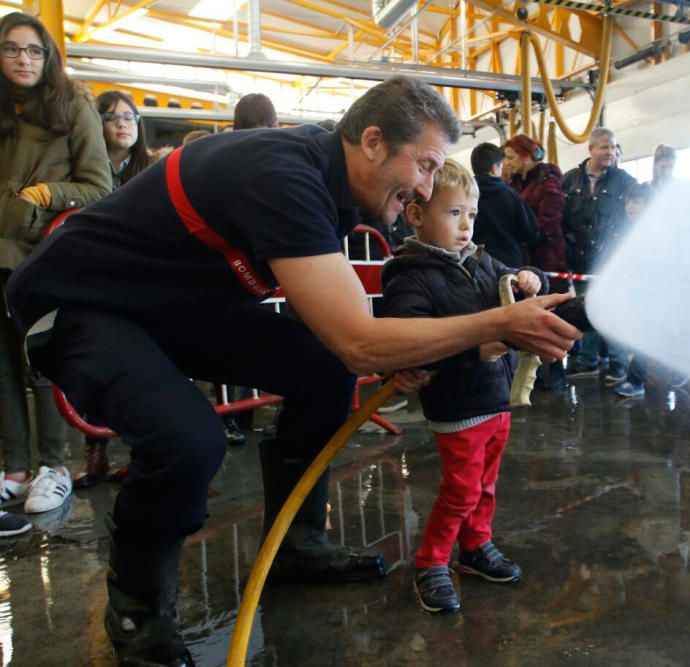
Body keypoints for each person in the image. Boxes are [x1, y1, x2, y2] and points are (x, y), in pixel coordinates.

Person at [5, 76, 578, 664]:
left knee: (322, 370)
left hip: (172, 307)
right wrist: (495, 324)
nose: (425, 189)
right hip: (80, 299)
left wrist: (405, 349)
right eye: (426, 166)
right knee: (188, 440)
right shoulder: (283, 174)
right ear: (374, 141)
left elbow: (351, 339)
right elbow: (360, 341)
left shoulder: (334, 186)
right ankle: (139, 618)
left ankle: (297, 544)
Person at [381, 159, 546, 613]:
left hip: (496, 399)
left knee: (486, 484)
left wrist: (532, 278)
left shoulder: (482, 260)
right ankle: (431, 562)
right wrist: (474, 350)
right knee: (461, 490)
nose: (466, 225)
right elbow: (410, 343)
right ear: (416, 215)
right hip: (458, 405)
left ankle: (475, 547)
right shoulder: (410, 276)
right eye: (454, 214)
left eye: (471, 215)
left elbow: (514, 285)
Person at [0, 13, 112, 525]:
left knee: (40, 363)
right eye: (12, 49)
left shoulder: (74, 104)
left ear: (48, 56)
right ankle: (16, 469)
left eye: (34, 50)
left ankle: (53, 464)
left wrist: (48, 194)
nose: (24, 59)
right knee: (2, 368)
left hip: (42, 255)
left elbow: (99, 187)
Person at [73, 91, 157, 489]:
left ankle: (151, 456)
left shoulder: (152, 168)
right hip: (97, 282)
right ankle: (96, 451)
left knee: (155, 369)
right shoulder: (86, 173)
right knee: (98, 368)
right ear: (97, 125)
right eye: (112, 117)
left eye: (130, 117)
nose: (123, 123)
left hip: (143, 283)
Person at [561, 127, 636, 384]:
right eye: (605, 147)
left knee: (613, 314)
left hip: (611, 263)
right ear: (591, 149)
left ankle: (618, 366)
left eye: (614, 147)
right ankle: (588, 362)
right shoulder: (569, 180)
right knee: (588, 311)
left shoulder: (626, 182)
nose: (611, 152)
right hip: (581, 261)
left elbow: (636, 219)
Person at [504, 133, 569, 391]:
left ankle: (555, 376)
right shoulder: (519, 183)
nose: (507, 162)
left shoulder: (548, 181)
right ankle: (536, 376)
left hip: (547, 259)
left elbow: (550, 220)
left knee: (551, 316)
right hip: (528, 260)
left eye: (510, 157)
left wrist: (524, 236)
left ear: (525, 155)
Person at [612, 183, 654, 398]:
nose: (630, 206)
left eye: (636, 201)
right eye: (628, 201)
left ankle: (636, 381)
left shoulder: (655, 231)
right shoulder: (631, 230)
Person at [469, 142, 538, 267]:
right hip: (510, 264)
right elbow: (530, 232)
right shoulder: (510, 195)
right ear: (495, 168)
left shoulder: (466, 197)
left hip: (478, 265)